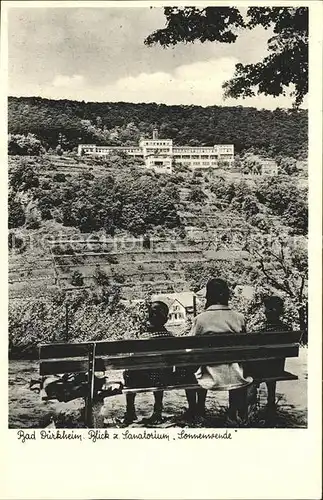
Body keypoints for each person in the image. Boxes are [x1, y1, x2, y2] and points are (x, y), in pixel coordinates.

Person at [183, 278, 252, 424]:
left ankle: (197, 409)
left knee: (193, 365)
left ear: (208, 296)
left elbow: (190, 347)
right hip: (236, 374)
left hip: (209, 375)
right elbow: (246, 346)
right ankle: (233, 412)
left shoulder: (200, 319)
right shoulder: (239, 318)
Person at [122, 301, 174, 426]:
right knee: (160, 371)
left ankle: (130, 411)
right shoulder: (172, 339)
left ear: (149, 317)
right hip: (165, 379)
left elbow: (132, 361)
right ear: (166, 319)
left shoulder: (141, 339)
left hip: (140, 380)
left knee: (128, 373)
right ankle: (157, 411)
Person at [259, 295, 291, 409]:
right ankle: (271, 400)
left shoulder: (262, 330)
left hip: (261, 368)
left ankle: (250, 407)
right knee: (271, 364)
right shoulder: (287, 329)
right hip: (278, 368)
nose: (265, 311)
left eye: (267, 308)